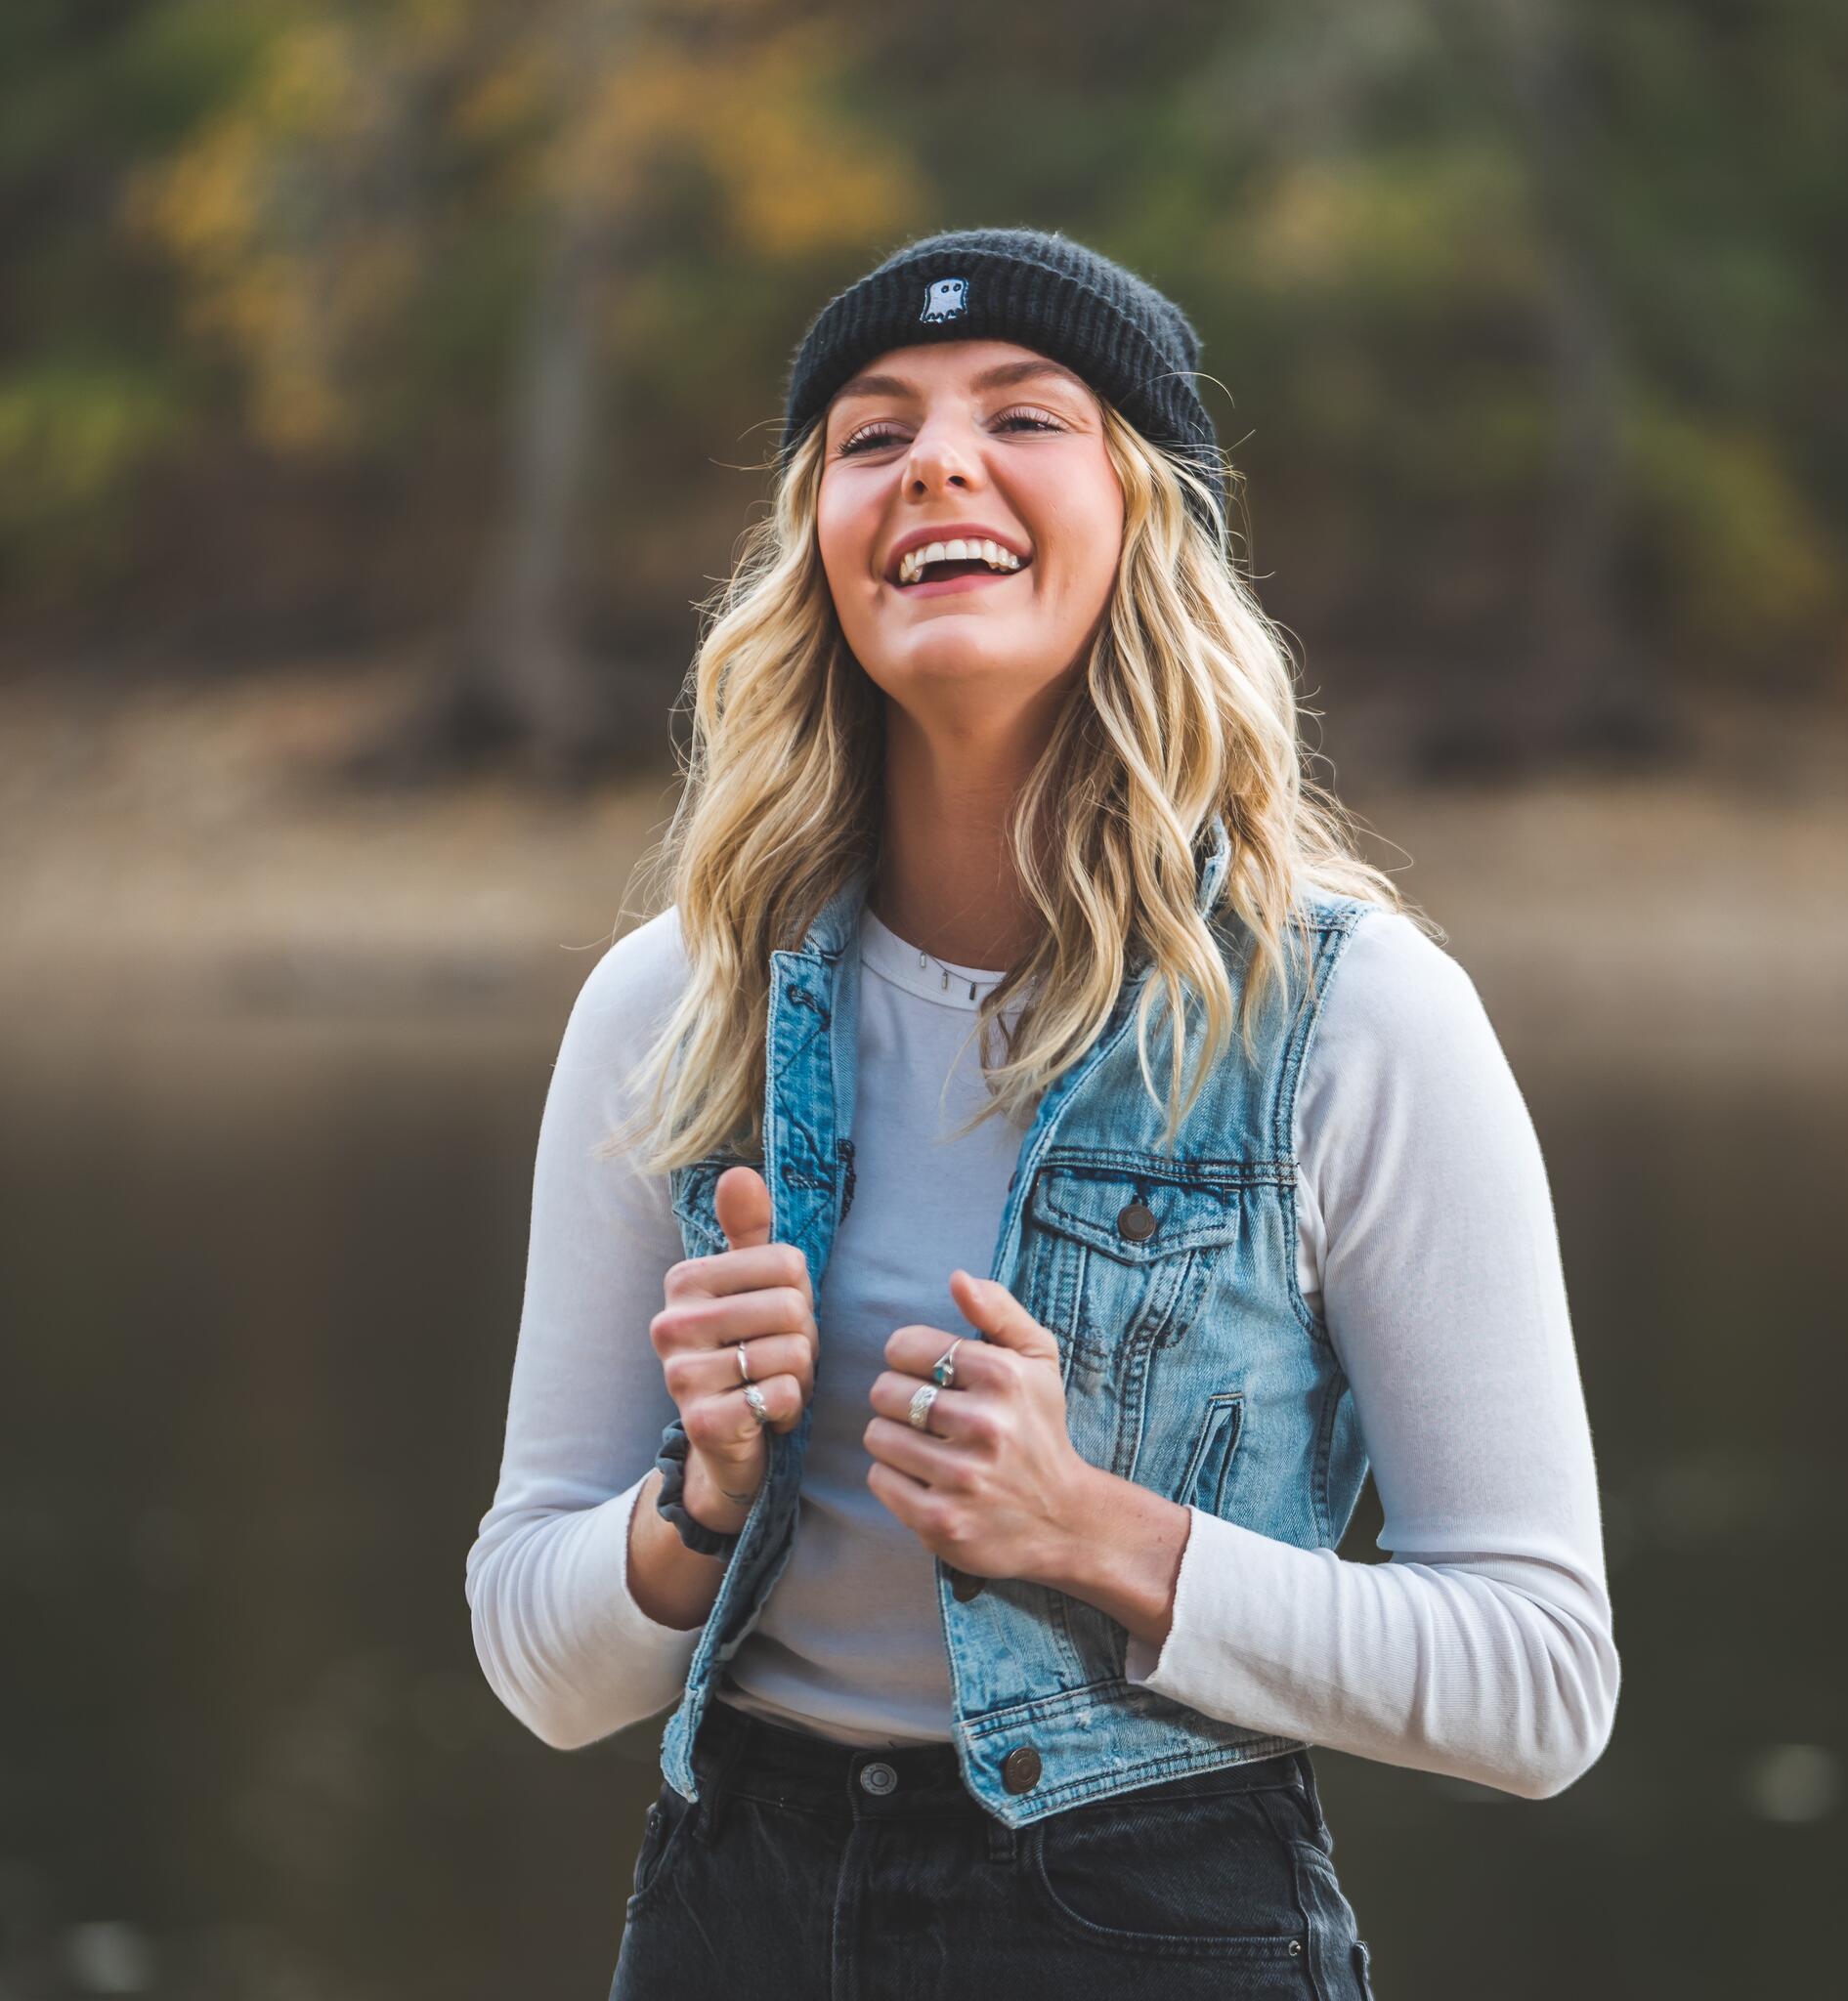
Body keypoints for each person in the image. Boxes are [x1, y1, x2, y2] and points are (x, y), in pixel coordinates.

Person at [465, 227, 1619, 2001]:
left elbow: (1539, 1685)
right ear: (818, 552)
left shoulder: (1352, 1022)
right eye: (872, 434)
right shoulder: (666, 1014)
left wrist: (1095, 1532)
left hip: (1157, 1925)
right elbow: (543, 1669)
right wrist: (696, 1502)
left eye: (1024, 415)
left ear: (1147, 521)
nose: (935, 459)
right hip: (731, 1922)